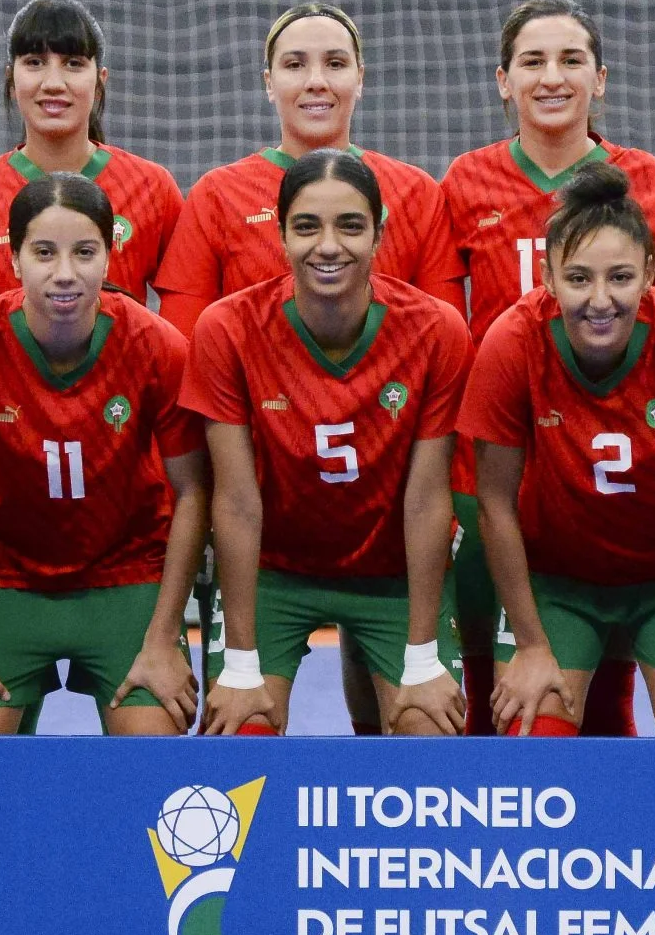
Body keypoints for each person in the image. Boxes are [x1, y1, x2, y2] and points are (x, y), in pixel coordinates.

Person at [440, 0, 655, 736]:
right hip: (511, 462)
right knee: (501, 691)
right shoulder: (462, 183)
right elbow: (441, 330)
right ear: (502, 80)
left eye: (571, 59)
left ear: (601, 78)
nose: (553, 76)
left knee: (653, 703)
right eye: (533, 61)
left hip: (639, 468)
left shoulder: (646, 182)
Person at [0, 171, 209, 735]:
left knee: (154, 760)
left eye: (85, 252)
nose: (65, 273)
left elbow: (194, 490)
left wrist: (167, 636)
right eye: (44, 252)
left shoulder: (156, 345)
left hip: (126, 572)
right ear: (14, 259)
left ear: (110, 257)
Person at [186, 150, 470, 737]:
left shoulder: (436, 330)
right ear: (281, 233)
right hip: (275, 572)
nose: (329, 245)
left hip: (392, 572)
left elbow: (426, 501)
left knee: (429, 727)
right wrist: (239, 665)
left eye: (350, 225)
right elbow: (236, 503)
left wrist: (421, 658)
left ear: (380, 233)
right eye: (307, 226)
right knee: (245, 727)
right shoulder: (227, 329)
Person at [153, 2, 458, 335]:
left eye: (335, 63)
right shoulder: (215, 196)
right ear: (269, 82)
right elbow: (185, 347)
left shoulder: (417, 192)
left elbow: (445, 340)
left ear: (360, 78)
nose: (316, 81)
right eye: (295, 64)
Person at [0, 0, 181, 332]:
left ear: (100, 79)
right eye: (34, 62)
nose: (53, 83)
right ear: (11, 77)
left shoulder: (152, 187)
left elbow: (184, 320)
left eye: (74, 63)